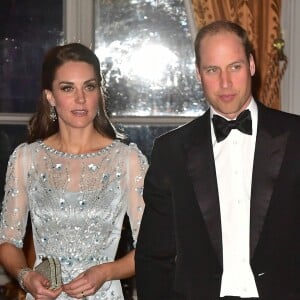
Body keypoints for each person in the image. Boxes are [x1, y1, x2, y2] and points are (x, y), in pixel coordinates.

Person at [135, 20, 300, 300]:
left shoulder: (296, 138)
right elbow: (153, 257)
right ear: (198, 73)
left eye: (234, 67)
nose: (225, 82)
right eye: (213, 70)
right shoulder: (170, 151)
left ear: (251, 65)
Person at [0, 42, 148, 299]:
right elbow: (8, 242)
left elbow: (152, 247)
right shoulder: (26, 159)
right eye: (68, 88)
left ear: (99, 93)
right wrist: (26, 277)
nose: (80, 99)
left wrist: (106, 272)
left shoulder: (127, 160)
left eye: (89, 87)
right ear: (50, 96)